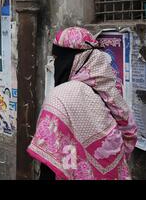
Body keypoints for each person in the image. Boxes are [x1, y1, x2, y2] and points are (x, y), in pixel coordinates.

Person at [28, 27, 138, 180]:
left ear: (70, 60)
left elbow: (50, 164)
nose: (55, 64)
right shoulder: (111, 93)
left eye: (57, 58)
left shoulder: (61, 96)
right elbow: (128, 133)